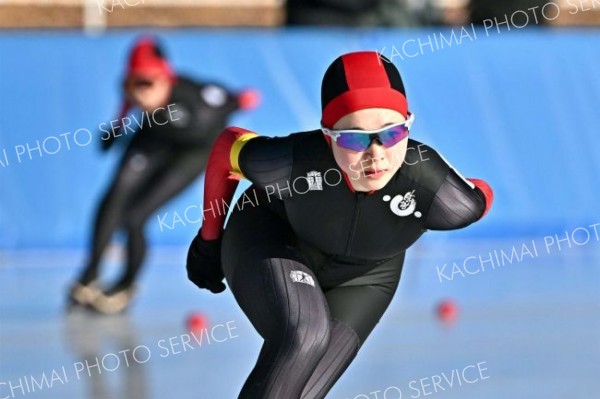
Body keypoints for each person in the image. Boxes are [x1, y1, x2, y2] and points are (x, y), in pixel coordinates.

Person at [186, 51, 493, 398]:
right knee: (305, 333)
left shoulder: (433, 188)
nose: (376, 155)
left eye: (391, 135)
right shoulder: (294, 161)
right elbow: (228, 146)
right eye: (354, 139)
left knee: (305, 390)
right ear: (328, 135)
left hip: (366, 278)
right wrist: (208, 241)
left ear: (409, 125)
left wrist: (463, 187)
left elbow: (477, 199)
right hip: (272, 235)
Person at [68, 36, 259, 314]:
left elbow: (236, 99)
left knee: (134, 218)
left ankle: (126, 285)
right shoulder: (136, 94)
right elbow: (124, 108)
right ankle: (90, 273)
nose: (137, 93)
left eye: (145, 83)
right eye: (130, 83)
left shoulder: (198, 100)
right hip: (153, 137)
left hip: (191, 153)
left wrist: (243, 99)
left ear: (166, 78)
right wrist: (115, 130)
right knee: (113, 198)